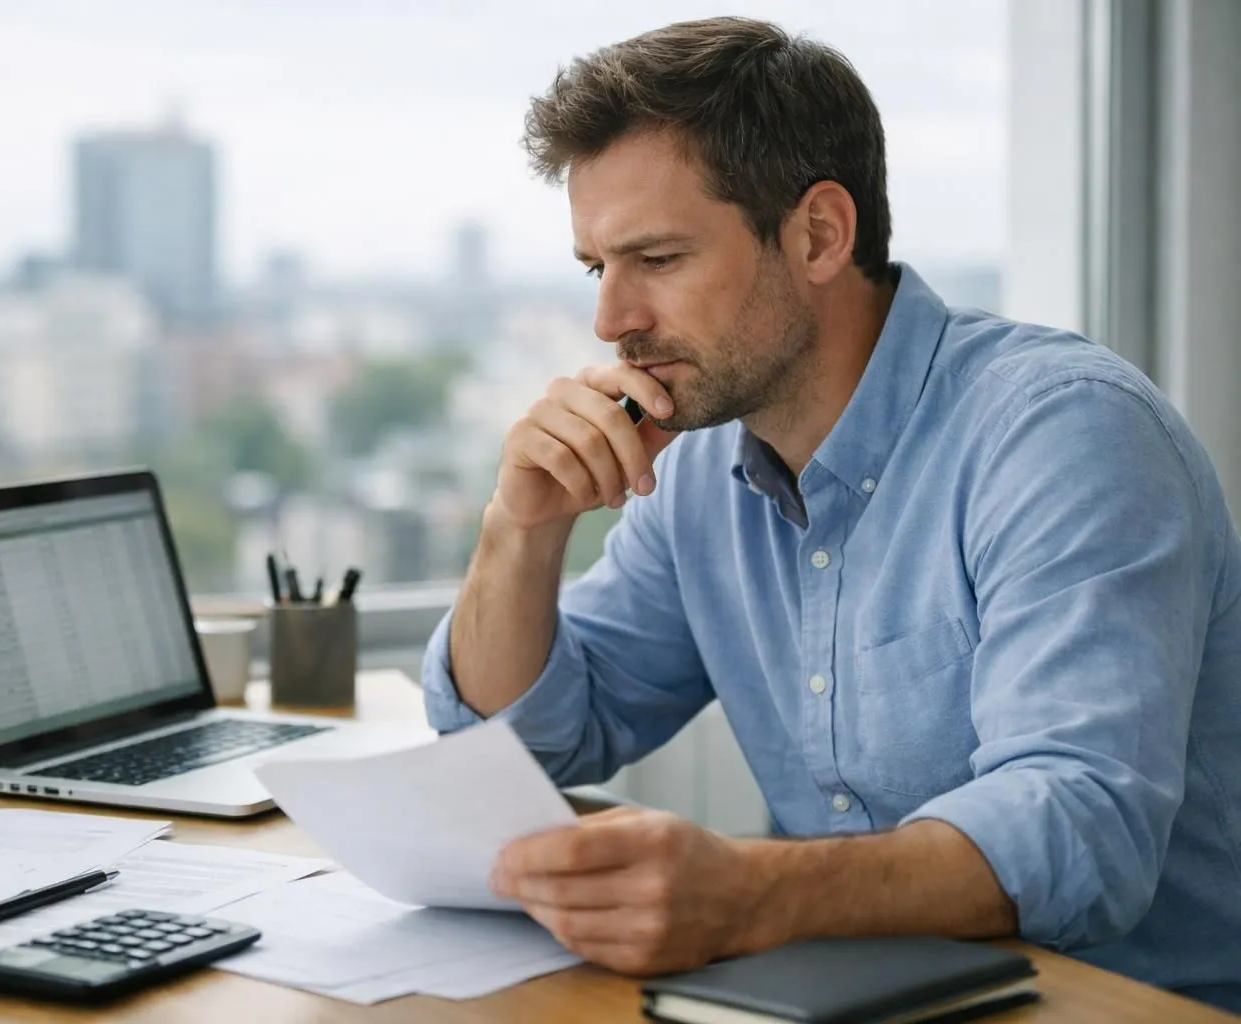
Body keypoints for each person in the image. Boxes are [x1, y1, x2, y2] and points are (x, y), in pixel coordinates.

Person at [420, 15, 1241, 1012]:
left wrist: (747, 892)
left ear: (817, 234)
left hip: (1124, 1005)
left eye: (659, 259)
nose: (611, 321)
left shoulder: (1063, 435)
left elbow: (1078, 827)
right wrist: (520, 529)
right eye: (599, 267)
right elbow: (534, 745)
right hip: (843, 997)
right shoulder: (700, 467)